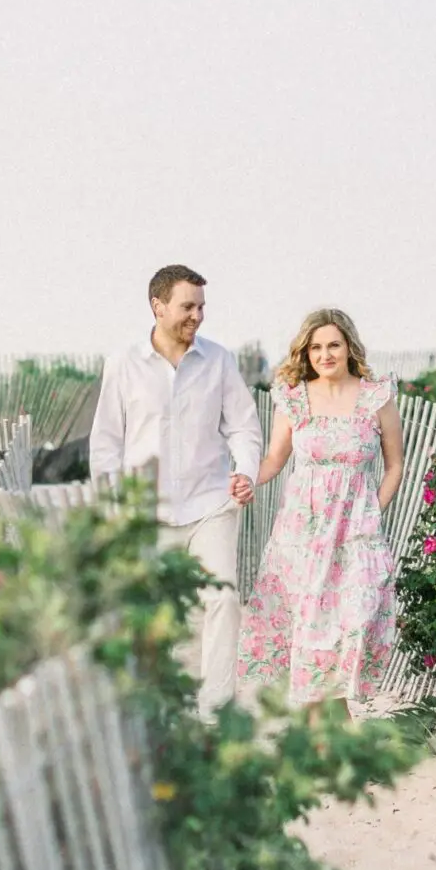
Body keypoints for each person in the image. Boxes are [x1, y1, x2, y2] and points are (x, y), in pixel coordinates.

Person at [90, 265, 262, 717]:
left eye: (202, 307)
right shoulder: (122, 365)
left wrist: (245, 469)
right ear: (158, 306)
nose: (197, 316)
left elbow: (244, 426)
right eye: (188, 306)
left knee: (223, 600)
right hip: (146, 511)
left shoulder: (219, 360)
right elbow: (106, 443)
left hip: (210, 506)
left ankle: (215, 712)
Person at [238, 308, 404, 714]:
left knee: (352, 622)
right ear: (305, 352)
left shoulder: (376, 395)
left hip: (355, 536)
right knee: (309, 629)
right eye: (316, 347)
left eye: (333, 345)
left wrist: (372, 512)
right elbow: (275, 460)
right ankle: (322, 739)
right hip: (303, 535)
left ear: (349, 346)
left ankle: (328, 731)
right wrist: (245, 479)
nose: (325, 354)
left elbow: (396, 464)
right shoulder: (293, 398)